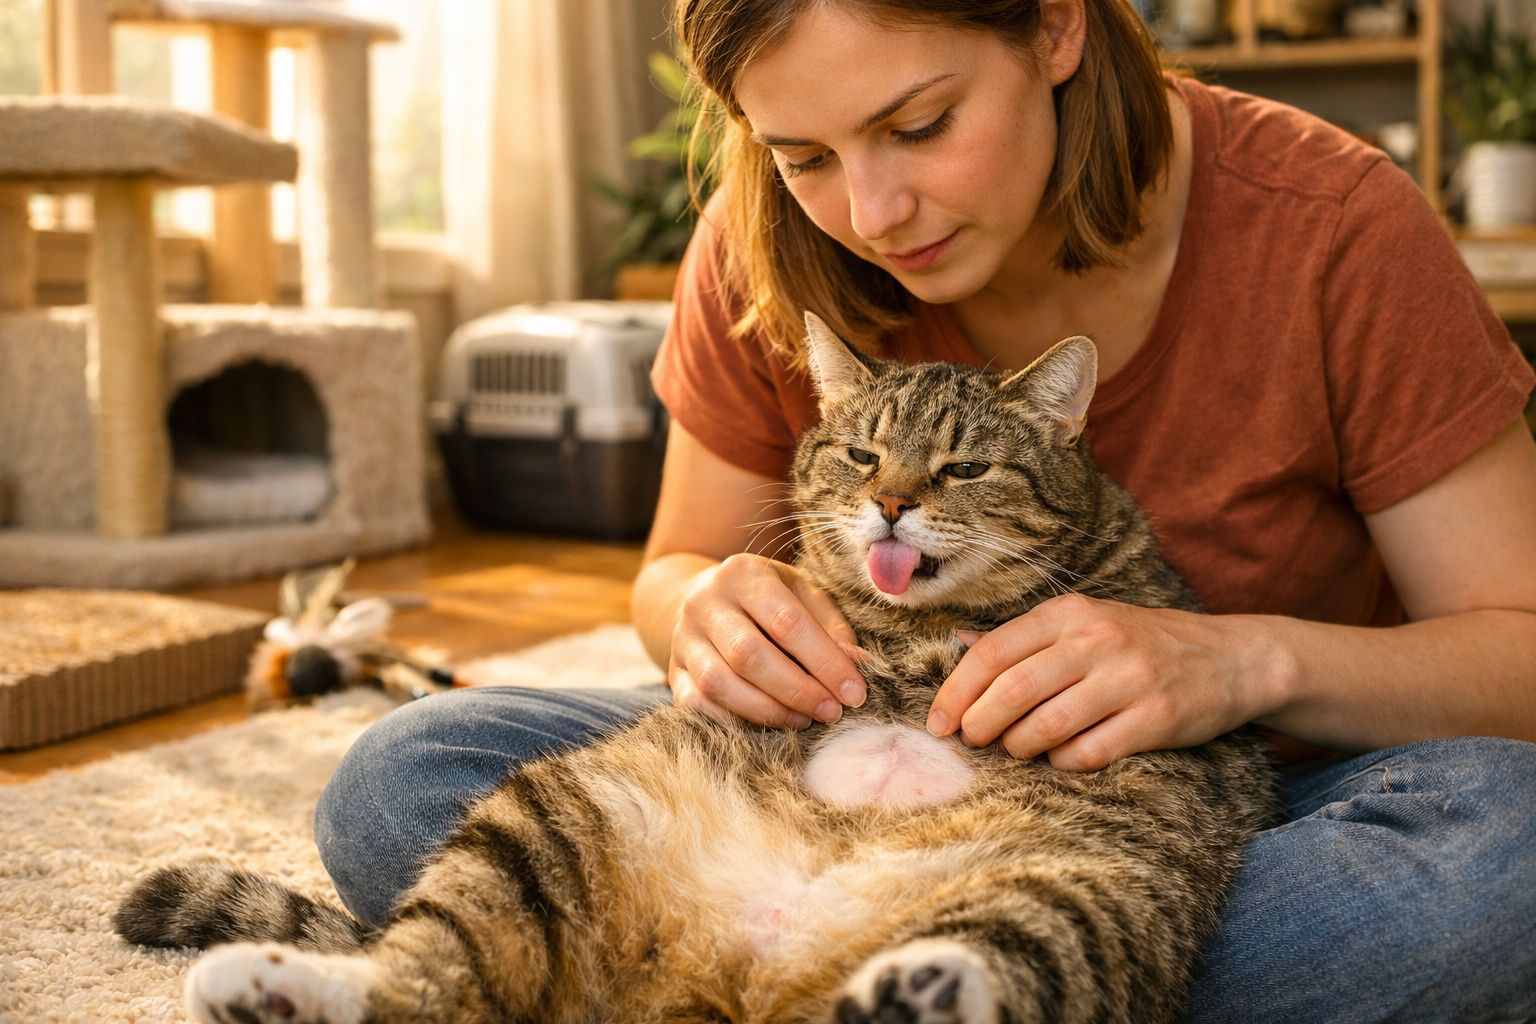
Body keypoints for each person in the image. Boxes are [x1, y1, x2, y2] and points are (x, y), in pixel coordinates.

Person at [314, 0, 1536, 1019]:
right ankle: (929, 984)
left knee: (1506, 851)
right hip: (812, 766)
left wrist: (1242, 662)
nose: (871, 211)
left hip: (1164, 815)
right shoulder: (764, 245)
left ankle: (794, 963)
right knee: (400, 776)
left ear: (1056, 26)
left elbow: (1520, 655)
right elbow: (677, 563)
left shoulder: (1334, 228)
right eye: (804, 159)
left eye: (920, 124)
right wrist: (705, 612)